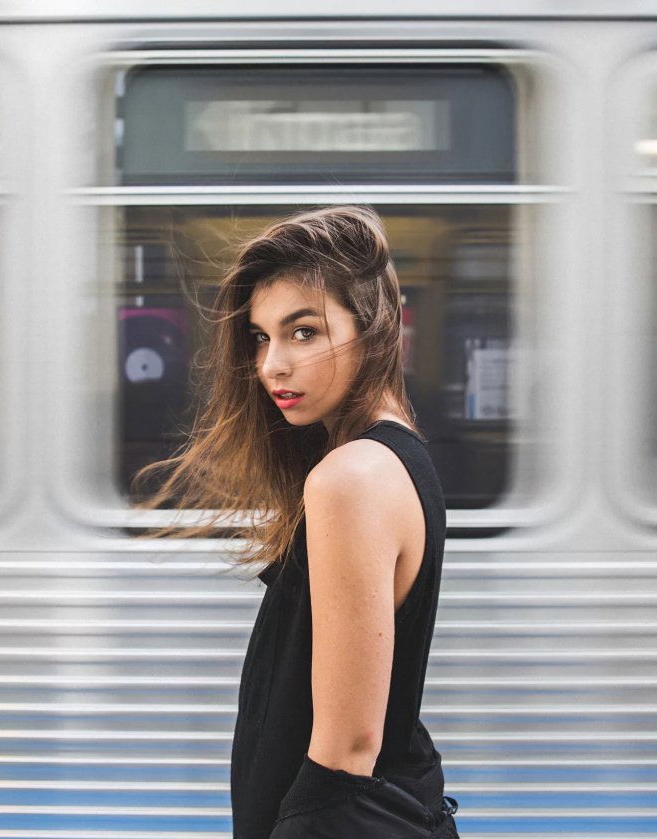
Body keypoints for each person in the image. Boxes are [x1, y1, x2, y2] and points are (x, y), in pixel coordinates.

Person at [135, 206, 459, 838]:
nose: (271, 366)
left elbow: (346, 755)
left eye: (303, 332)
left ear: (374, 328)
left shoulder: (351, 478)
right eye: (261, 337)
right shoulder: (393, 456)